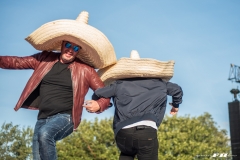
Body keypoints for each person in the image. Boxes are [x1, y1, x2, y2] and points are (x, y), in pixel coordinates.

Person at [0, 11, 116, 160]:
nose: (70, 50)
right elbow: (16, 62)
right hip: (42, 119)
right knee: (38, 155)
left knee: (45, 134)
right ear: (62, 44)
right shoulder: (45, 59)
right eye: (68, 45)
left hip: (65, 117)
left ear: (78, 51)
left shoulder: (85, 70)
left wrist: (99, 105)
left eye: (75, 48)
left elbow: (105, 93)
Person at [87, 50, 183, 160]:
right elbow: (177, 90)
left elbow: (98, 93)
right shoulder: (160, 84)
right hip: (146, 132)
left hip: (123, 133)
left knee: (126, 154)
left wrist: (101, 104)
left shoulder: (119, 85)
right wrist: (175, 105)